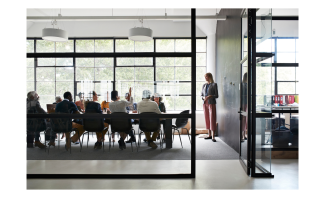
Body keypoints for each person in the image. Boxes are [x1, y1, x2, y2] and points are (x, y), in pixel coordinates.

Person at [201, 72, 219, 142]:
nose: (205, 78)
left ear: (210, 77)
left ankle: (213, 136)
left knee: (212, 119)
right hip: (205, 103)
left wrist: (210, 96)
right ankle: (209, 135)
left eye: (206, 77)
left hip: (211, 103)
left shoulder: (214, 84)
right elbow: (201, 95)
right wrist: (203, 98)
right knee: (207, 118)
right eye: (205, 77)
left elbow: (217, 95)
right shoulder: (204, 85)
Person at [241, 72, 248, 141]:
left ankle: (244, 134)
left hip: (246, 104)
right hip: (243, 104)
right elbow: (241, 95)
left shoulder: (247, 84)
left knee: (245, 119)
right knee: (243, 118)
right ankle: (242, 135)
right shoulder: (243, 85)